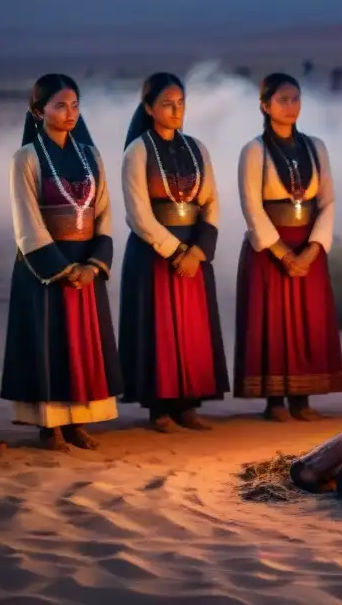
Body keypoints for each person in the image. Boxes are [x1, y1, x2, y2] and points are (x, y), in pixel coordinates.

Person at [0, 74, 123, 451]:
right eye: (59, 106)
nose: (69, 113)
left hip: (85, 264)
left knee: (82, 344)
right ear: (38, 112)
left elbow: (103, 213)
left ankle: (77, 422)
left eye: (74, 105)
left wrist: (93, 264)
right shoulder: (26, 158)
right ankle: (49, 426)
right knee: (49, 342)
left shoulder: (92, 155)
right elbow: (27, 223)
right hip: (46, 269)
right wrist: (62, 269)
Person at [118, 72, 229, 432]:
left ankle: (189, 406)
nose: (176, 109)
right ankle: (159, 409)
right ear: (149, 108)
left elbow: (211, 202)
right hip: (154, 255)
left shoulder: (197, 148)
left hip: (194, 253)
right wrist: (175, 250)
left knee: (192, 330)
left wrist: (198, 251)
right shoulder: (137, 150)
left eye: (180, 102)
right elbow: (137, 214)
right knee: (158, 330)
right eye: (167, 103)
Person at [234, 73, 342, 421]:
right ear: (265, 105)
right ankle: (275, 401)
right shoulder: (254, 150)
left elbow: (327, 201)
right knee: (274, 323)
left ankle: (303, 398)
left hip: (308, 246)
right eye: (282, 100)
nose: (290, 106)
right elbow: (251, 206)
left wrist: (313, 249)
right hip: (271, 250)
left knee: (309, 321)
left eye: (295, 99)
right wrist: (282, 252)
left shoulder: (316, 147)